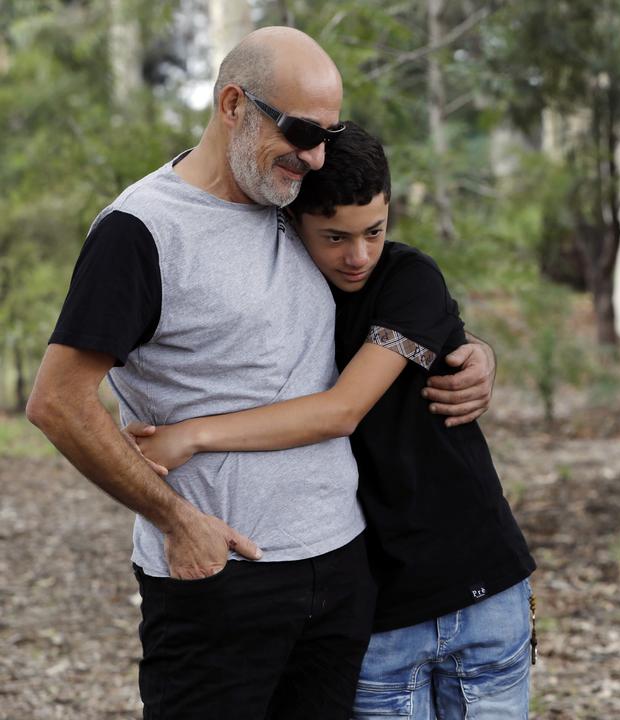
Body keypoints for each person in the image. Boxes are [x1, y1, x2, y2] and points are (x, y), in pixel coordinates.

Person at [25, 28, 493, 719]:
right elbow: (57, 402)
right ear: (233, 105)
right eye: (302, 131)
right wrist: (177, 522)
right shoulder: (143, 230)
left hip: (341, 565)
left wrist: (474, 350)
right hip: (219, 580)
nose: (316, 156)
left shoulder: (302, 207)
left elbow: (391, 294)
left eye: (328, 134)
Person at [127, 122, 536, 719]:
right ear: (292, 224)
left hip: (480, 585)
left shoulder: (407, 277)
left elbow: (344, 410)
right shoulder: (283, 295)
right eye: (335, 237)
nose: (359, 255)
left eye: (375, 230)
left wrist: (191, 434)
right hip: (380, 609)